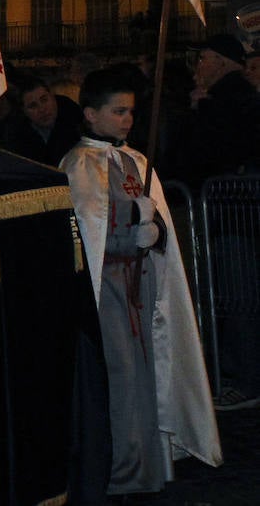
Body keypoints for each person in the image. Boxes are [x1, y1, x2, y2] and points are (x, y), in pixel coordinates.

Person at [60, 67, 220, 497]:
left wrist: (157, 233)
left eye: (131, 111)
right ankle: (119, 471)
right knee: (120, 377)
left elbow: (160, 225)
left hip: (144, 290)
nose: (128, 120)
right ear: (90, 115)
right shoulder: (78, 165)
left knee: (150, 375)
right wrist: (131, 227)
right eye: (118, 111)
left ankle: (151, 466)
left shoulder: (137, 161)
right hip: (108, 291)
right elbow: (85, 230)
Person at [159, 33, 260, 190]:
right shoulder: (233, 94)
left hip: (223, 193)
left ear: (221, 62)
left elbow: (203, 151)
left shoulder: (224, 99)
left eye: (202, 58)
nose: (198, 65)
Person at [0, 71, 84, 166]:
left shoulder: (75, 119)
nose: (42, 109)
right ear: (24, 111)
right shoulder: (16, 134)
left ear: (52, 96)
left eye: (44, 100)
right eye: (33, 106)